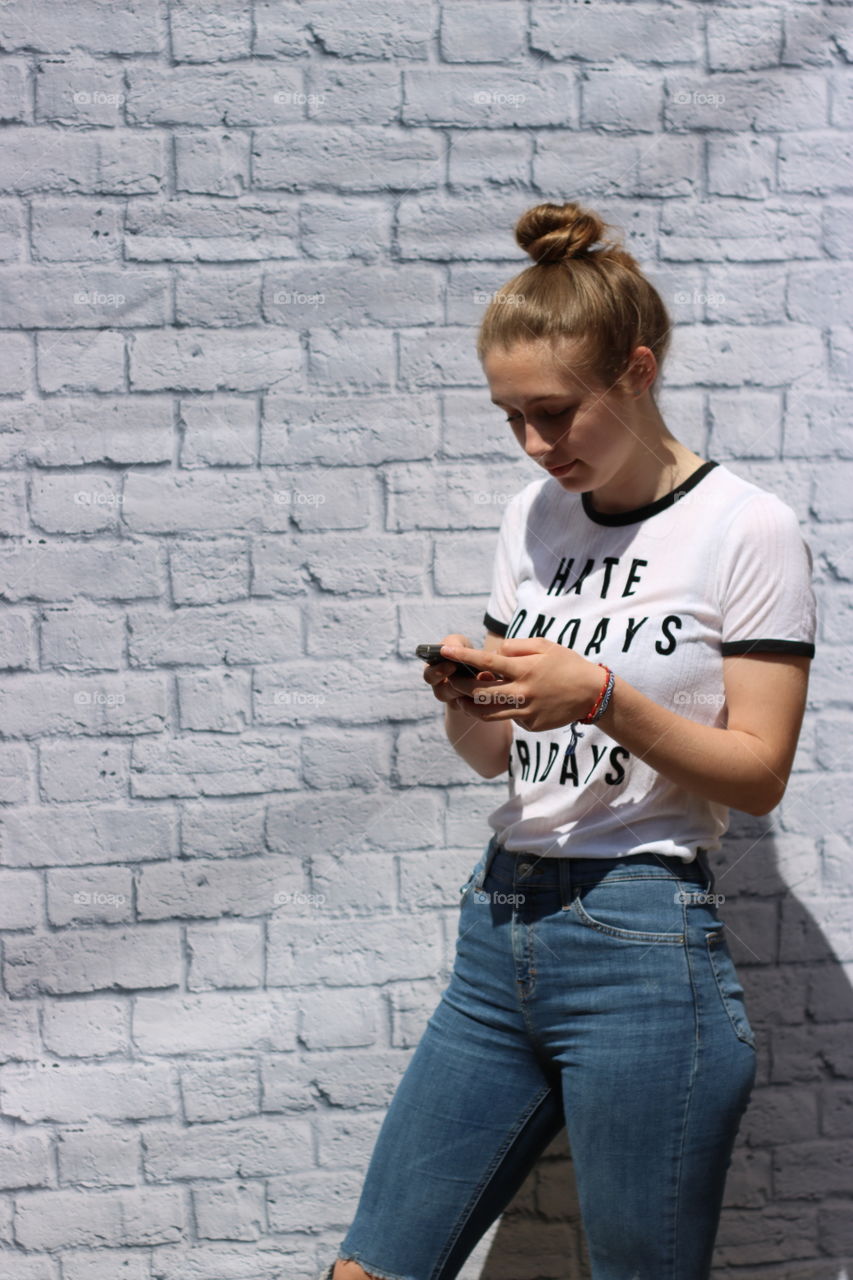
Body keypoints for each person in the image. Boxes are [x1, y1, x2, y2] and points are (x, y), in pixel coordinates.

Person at [318, 200, 816, 1280]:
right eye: (511, 417)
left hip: (643, 945)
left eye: (555, 411)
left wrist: (601, 696)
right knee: (372, 1267)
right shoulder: (529, 520)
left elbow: (761, 774)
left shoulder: (745, 526)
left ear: (636, 371)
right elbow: (497, 758)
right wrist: (470, 696)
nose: (536, 444)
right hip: (499, 933)